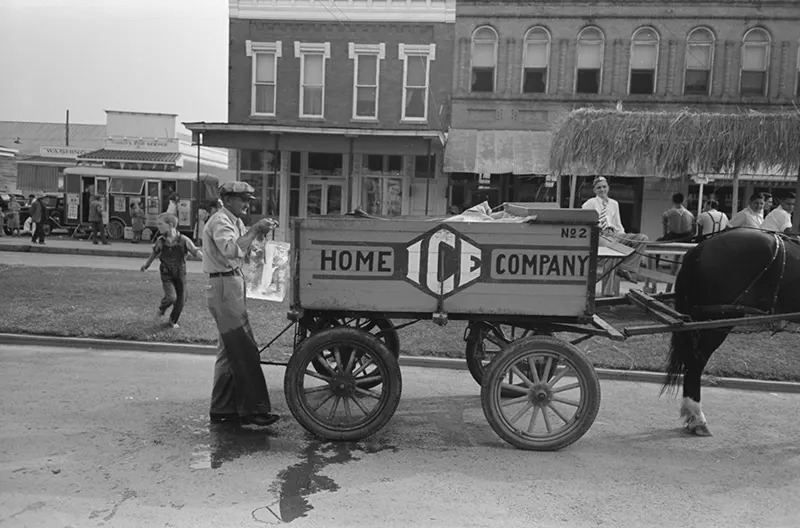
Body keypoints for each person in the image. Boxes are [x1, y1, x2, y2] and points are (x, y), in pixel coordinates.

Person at [203, 181, 280, 427]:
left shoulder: (234, 221)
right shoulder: (220, 220)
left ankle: (222, 409)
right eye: (242, 199)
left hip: (231, 284)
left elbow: (247, 250)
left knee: (229, 352)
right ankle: (252, 410)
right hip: (224, 286)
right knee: (245, 351)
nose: (247, 203)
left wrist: (258, 233)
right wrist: (256, 227)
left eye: (248, 199)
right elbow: (232, 250)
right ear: (226, 198)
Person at [581, 176, 649, 293]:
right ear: (594, 190)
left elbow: (618, 225)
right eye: (599, 188)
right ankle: (607, 292)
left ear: (608, 188)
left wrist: (624, 238)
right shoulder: (590, 203)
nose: (602, 190)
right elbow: (584, 221)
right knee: (613, 251)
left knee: (642, 238)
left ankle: (625, 268)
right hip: (599, 235)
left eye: (604, 187)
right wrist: (598, 228)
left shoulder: (614, 204)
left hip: (614, 235)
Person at [140, 212, 203, 329]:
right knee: (171, 297)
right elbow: (154, 253)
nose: (158, 226)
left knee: (181, 301)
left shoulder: (183, 240)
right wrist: (146, 265)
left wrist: (204, 258)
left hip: (180, 274)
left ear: (170, 225)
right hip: (166, 274)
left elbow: (194, 250)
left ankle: (172, 321)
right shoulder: (161, 241)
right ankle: (162, 309)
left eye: (160, 224)